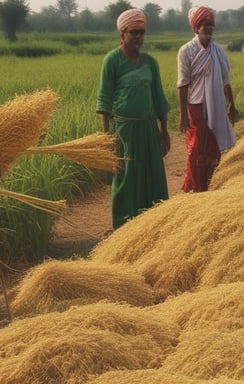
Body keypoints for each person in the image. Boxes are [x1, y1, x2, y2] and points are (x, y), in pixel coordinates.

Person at [96, 9, 171, 229]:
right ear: (123, 33)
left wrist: (164, 130)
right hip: (125, 131)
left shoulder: (150, 62)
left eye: (141, 32)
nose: (138, 36)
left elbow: (158, 97)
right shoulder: (112, 61)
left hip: (148, 128)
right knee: (126, 178)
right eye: (133, 32)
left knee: (152, 175)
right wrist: (106, 136)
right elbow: (104, 100)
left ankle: (154, 224)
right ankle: (124, 227)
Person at [177, 6, 238, 192]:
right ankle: (197, 187)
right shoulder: (186, 51)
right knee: (197, 148)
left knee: (212, 148)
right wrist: (183, 115)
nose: (208, 28)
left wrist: (232, 106)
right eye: (204, 24)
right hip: (196, 106)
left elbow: (225, 81)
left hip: (217, 105)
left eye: (211, 24)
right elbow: (182, 84)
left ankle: (208, 184)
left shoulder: (218, 52)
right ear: (196, 27)